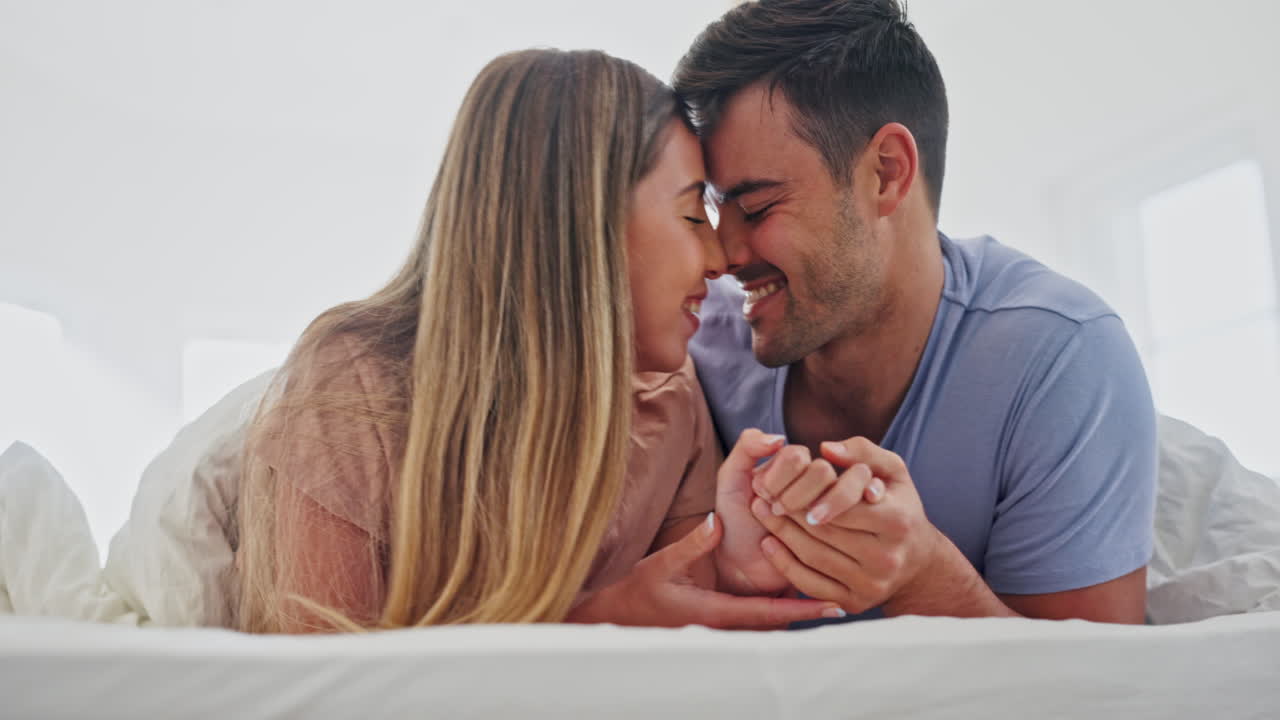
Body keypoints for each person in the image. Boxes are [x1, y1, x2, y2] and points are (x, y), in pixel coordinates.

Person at [233, 48, 844, 633]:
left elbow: (684, 650)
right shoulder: (356, 384)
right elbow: (314, 689)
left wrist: (735, 565)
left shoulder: (672, 401)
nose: (720, 260)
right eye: (692, 217)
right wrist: (599, 624)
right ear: (581, 230)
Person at [674, 0, 1156, 623]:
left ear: (886, 172)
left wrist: (927, 578)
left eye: (759, 207)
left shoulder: (1061, 359)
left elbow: (1102, 698)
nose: (721, 255)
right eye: (711, 212)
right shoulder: (691, 338)